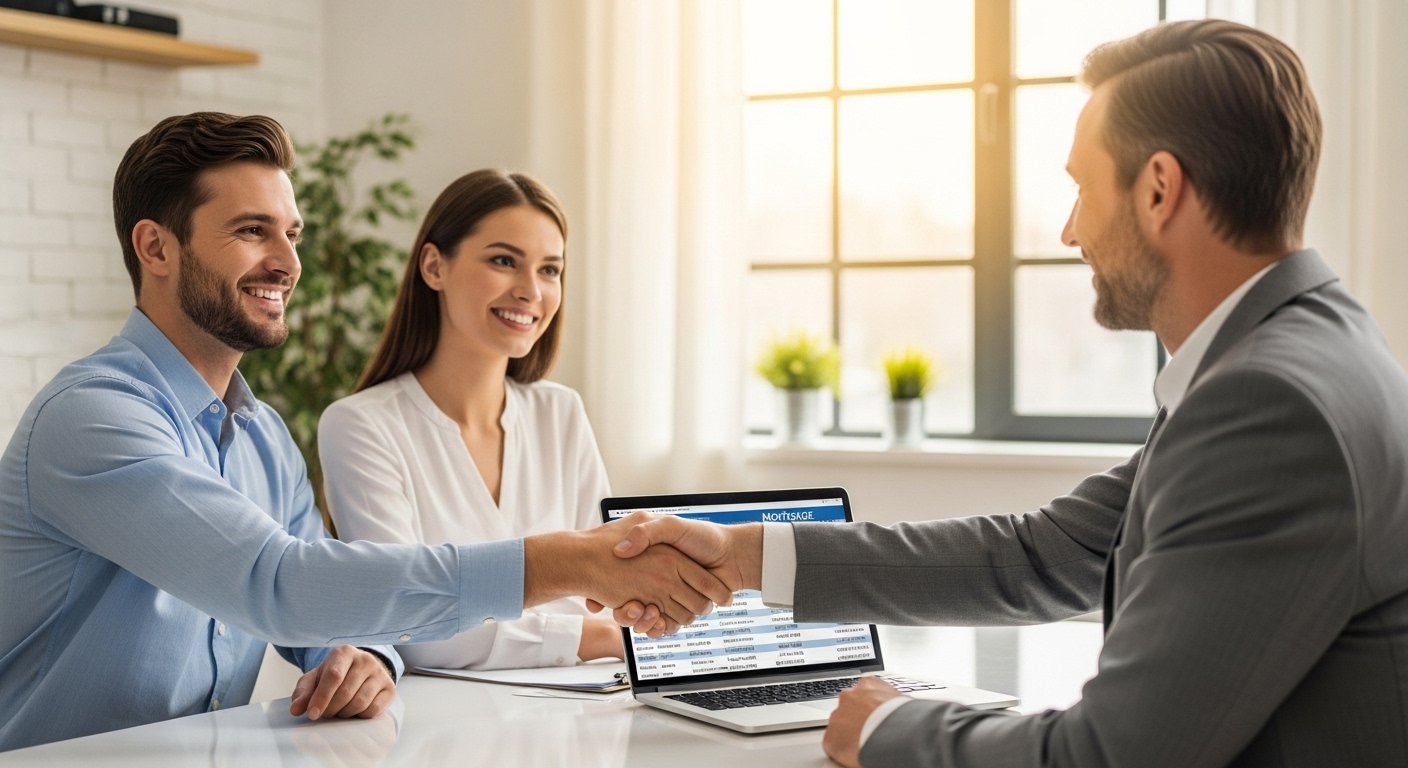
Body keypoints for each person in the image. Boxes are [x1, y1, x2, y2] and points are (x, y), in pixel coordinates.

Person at [608, 20, 1408, 768]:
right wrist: (744, 555)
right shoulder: (1293, 355)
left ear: (1160, 189)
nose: (1069, 231)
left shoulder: (1268, 405)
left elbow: (1110, 755)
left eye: (1082, 190)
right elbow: (1045, 554)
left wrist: (887, 724)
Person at [0, 112, 728, 752]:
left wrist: (371, 658)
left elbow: (333, 606)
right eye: (252, 232)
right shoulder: (94, 418)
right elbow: (279, 584)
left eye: (291, 233)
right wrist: (564, 563)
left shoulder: (262, 438)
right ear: (156, 249)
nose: (287, 263)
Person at [318, 169, 622, 671]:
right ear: (434, 267)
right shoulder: (360, 426)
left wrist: (598, 629)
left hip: (579, 712)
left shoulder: (560, 413)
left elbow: (610, 585)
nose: (531, 291)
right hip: (439, 730)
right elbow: (410, 625)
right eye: (504, 261)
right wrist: (601, 636)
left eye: (550, 270)